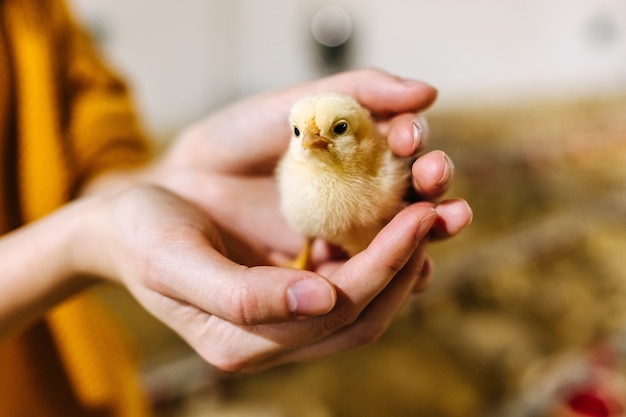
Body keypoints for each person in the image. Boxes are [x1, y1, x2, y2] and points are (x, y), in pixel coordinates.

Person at [0, 0, 473, 416]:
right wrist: (83, 241)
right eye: (301, 135)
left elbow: (77, 156)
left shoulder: (36, 8)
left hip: (82, 391)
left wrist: (168, 182)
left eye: (337, 131)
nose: (310, 141)